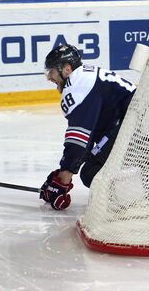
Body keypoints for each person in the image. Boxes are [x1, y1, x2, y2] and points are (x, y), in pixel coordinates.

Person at [39, 44, 136, 210]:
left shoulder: (78, 87)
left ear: (67, 69)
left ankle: (141, 199)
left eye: (52, 71)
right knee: (96, 163)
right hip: (145, 125)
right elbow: (90, 139)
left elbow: (78, 141)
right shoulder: (84, 78)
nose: (49, 77)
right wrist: (63, 172)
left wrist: (62, 181)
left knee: (92, 173)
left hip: (143, 129)